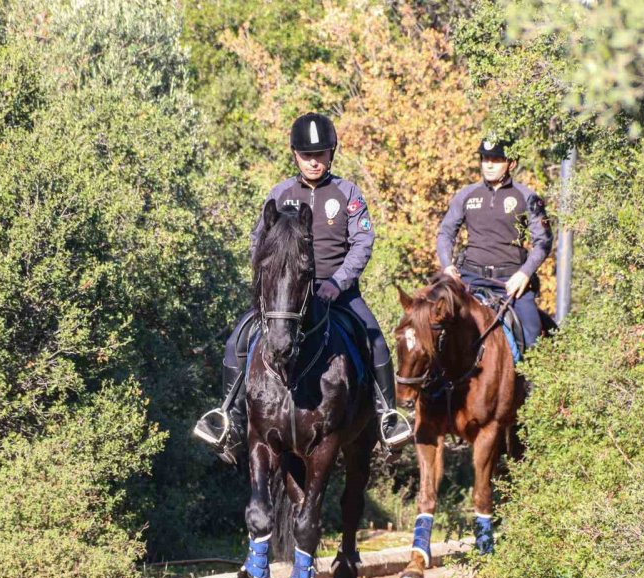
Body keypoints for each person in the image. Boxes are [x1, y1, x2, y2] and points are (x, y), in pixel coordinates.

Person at [193, 112, 412, 464]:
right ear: (295, 154)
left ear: (331, 153)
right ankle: (229, 421)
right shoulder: (280, 194)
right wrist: (271, 283)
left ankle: (387, 418)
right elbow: (258, 243)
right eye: (307, 155)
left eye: (320, 154)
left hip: (337, 292)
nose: (313, 161)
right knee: (236, 341)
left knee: (376, 342)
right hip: (286, 297)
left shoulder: (348, 193)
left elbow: (362, 242)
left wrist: (338, 282)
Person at [436, 138, 552, 349]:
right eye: (485, 159)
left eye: (496, 159)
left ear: (511, 163)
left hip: (510, 283)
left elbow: (543, 241)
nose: (488, 165)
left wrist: (525, 273)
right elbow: (446, 233)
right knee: (432, 324)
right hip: (470, 279)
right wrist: (447, 266)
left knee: (532, 335)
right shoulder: (466, 194)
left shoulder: (527, 197)